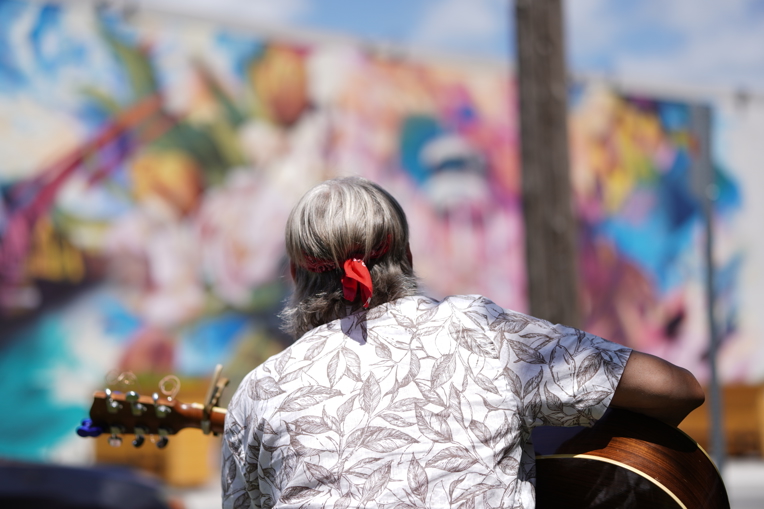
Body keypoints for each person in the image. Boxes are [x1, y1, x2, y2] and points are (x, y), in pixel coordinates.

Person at [221, 177, 704, 509]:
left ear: (294, 275)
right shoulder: (480, 331)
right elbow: (677, 388)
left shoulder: (259, 391)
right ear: (406, 256)